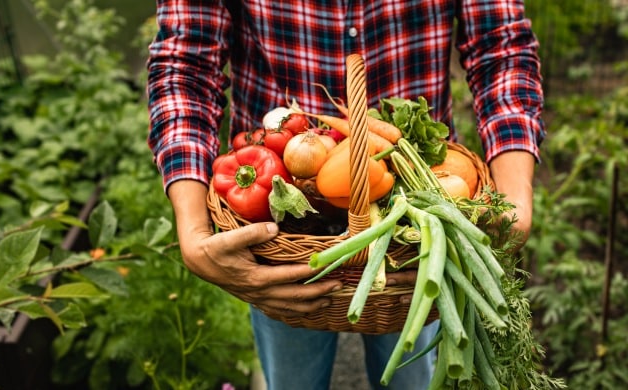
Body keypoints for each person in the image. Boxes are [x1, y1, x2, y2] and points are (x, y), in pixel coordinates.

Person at [146, 1, 544, 389]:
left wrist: (517, 206)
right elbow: (186, 65)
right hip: (278, 224)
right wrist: (195, 233)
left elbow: (501, 48)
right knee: (292, 378)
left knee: (411, 371)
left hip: (421, 217)